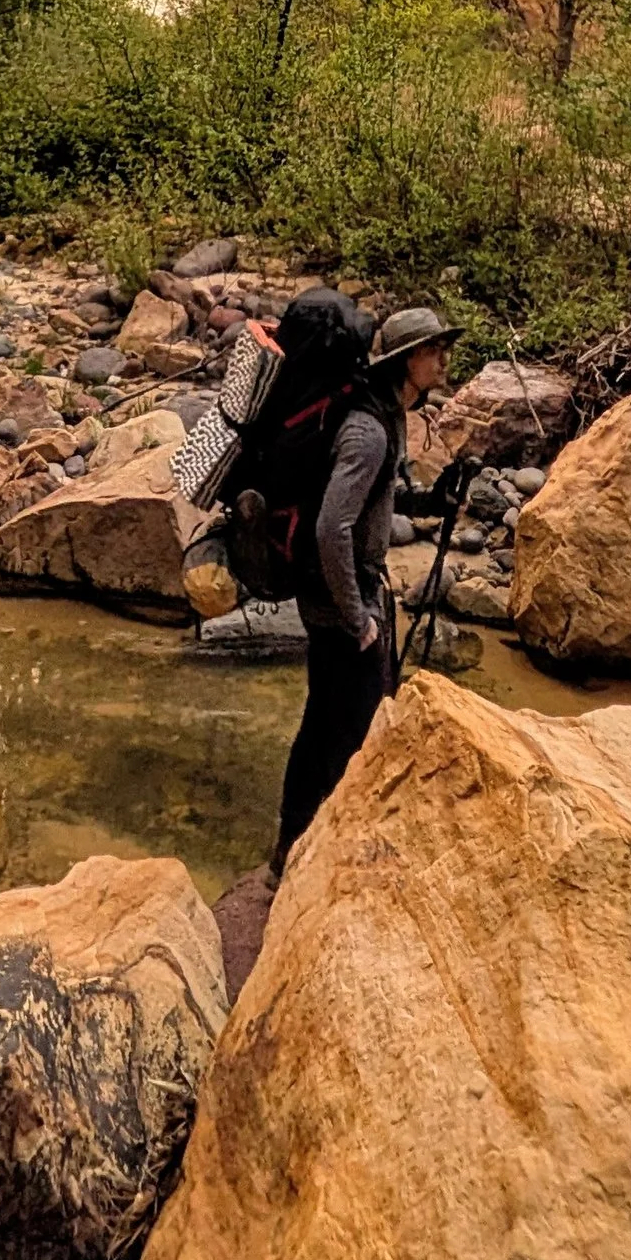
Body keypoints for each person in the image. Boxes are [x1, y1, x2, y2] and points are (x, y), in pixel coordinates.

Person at [273, 302, 456, 868]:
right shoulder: (368, 430)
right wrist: (360, 619)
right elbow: (333, 526)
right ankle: (335, 863)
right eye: (432, 350)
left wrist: (431, 501)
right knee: (359, 738)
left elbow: (374, 502)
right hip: (339, 604)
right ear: (405, 361)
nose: (443, 359)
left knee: (321, 724)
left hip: (336, 594)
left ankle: (290, 851)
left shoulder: (389, 414)